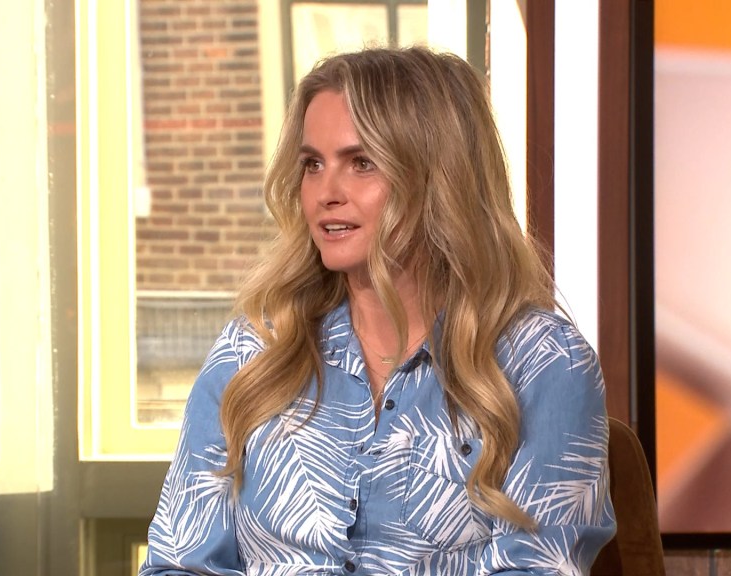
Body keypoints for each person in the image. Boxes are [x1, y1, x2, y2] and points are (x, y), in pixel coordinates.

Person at [139, 46, 615, 576]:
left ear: (439, 178)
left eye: (361, 163)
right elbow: (177, 564)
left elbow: (537, 568)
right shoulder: (252, 352)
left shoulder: (542, 363)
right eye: (312, 164)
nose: (325, 193)